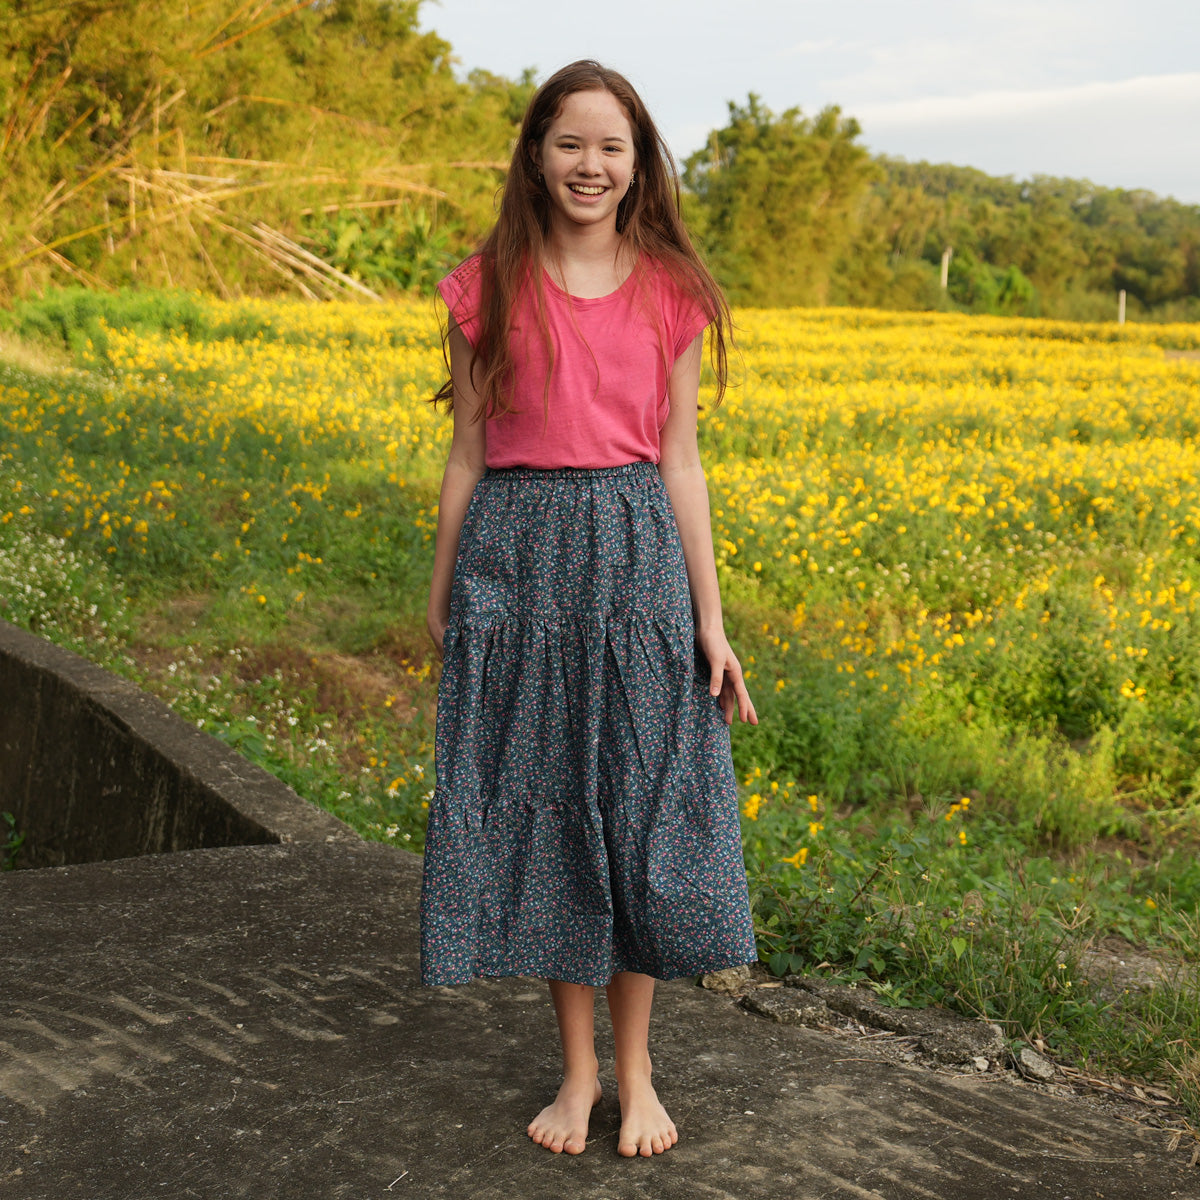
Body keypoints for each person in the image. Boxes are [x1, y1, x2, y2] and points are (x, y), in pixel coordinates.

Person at [421, 59, 758, 1160]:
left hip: (637, 571)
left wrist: (709, 620)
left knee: (643, 821)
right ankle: (577, 1077)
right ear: (535, 153)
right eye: (570, 142)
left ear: (638, 163)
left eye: (612, 146)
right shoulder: (485, 287)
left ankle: (641, 1073)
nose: (590, 165)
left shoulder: (673, 289)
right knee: (559, 818)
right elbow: (468, 451)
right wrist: (443, 595)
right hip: (516, 575)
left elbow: (682, 463)